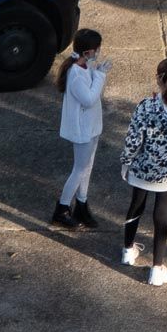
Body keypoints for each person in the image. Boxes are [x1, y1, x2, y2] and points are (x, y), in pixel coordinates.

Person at [119, 58, 167, 286]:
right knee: (161, 217)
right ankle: (157, 268)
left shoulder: (147, 105)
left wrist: (126, 161)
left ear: (159, 79)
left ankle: (127, 250)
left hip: (144, 167)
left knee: (136, 207)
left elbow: (134, 138)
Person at [51, 28, 111, 229]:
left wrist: (96, 70)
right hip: (82, 131)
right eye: (96, 49)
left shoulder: (85, 66)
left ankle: (82, 205)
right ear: (87, 52)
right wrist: (101, 75)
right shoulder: (76, 74)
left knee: (87, 167)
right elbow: (89, 99)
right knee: (79, 170)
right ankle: (62, 208)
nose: (98, 52)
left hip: (91, 127)